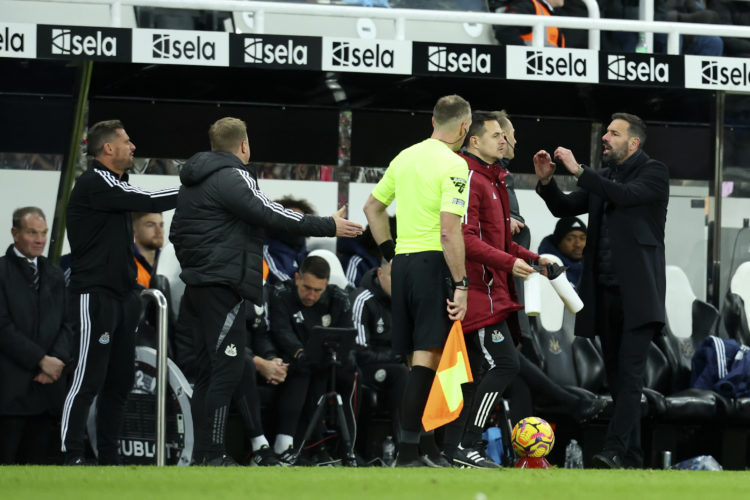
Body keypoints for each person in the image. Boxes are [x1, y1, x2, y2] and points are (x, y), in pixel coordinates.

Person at [169, 117, 362, 466]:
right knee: (226, 369)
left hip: (199, 285)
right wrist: (328, 225)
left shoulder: (192, 183)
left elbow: (177, 234)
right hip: (223, 286)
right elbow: (270, 213)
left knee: (210, 374)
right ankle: (212, 455)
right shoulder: (234, 175)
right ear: (243, 146)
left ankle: (202, 456)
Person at [534, 112, 669, 469]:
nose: (605, 138)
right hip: (604, 294)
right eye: (606, 132)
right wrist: (548, 183)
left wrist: (578, 170)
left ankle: (612, 450)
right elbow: (566, 206)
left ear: (634, 142)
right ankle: (634, 457)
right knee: (617, 377)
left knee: (630, 375)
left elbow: (623, 196)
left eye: (613, 133)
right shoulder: (604, 178)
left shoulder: (654, 174)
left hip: (639, 298)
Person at [62, 120, 179, 465]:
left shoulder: (116, 183)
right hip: (94, 296)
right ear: (107, 148)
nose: (133, 147)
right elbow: (147, 199)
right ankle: (71, 456)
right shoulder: (93, 182)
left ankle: (109, 459)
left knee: (119, 382)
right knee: (86, 380)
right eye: (127, 141)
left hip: (123, 298)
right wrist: (195, 187)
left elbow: (140, 196)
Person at [364, 94, 472, 467]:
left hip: (405, 264)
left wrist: (391, 253)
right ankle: (408, 452)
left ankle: (427, 449)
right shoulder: (456, 166)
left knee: (415, 362)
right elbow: (449, 232)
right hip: (432, 265)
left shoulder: (405, 156)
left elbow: (372, 208)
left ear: (432, 121)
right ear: (464, 127)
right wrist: (461, 283)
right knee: (428, 360)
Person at [451, 111, 543, 468]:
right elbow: (465, 240)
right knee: (504, 365)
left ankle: (455, 449)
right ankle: (467, 445)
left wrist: (536, 259)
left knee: (476, 374)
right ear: (474, 141)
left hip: (492, 293)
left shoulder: (495, 179)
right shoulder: (468, 177)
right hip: (475, 292)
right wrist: (507, 263)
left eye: (504, 135)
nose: (503, 139)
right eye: (495, 135)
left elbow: (502, 240)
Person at [0, 207, 73, 464]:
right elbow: (3, 328)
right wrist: (41, 360)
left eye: (43, 233)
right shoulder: (1, 272)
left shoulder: (53, 274)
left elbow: (69, 324)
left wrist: (56, 361)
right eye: (32, 232)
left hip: (48, 392)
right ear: (15, 233)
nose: (40, 239)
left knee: (43, 471)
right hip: (10, 394)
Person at [268, 255, 354, 465]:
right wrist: (300, 352)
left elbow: (346, 334)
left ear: (326, 285)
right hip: (290, 358)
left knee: (350, 370)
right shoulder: (281, 294)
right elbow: (281, 332)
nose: (311, 295)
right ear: (297, 278)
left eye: (318, 290)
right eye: (307, 287)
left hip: (324, 361)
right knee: (303, 368)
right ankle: (286, 444)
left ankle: (346, 448)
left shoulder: (338, 299)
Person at [350, 260, 408, 446]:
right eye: (394, 277)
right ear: (380, 274)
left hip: (395, 363)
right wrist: (398, 357)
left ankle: (440, 447)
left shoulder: (405, 301)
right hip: (365, 368)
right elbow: (359, 351)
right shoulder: (362, 300)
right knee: (401, 373)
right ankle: (404, 446)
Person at [493, 110, 530, 249]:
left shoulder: (502, 172)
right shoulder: (477, 172)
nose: (515, 141)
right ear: (503, 137)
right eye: (513, 134)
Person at [264, 196, 315, 286]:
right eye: (291, 220)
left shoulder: (309, 255)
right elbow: (280, 278)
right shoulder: (267, 251)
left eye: (301, 220)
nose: (296, 225)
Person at [490, 0, 566, 47]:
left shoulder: (549, 12)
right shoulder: (527, 5)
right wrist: (527, 57)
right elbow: (505, 30)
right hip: (528, 69)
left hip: (547, 68)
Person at [538, 216, 587, 287]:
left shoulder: (596, 266)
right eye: (570, 239)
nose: (578, 244)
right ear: (558, 242)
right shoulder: (543, 270)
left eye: (583, 238)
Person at [132, 212, 164, 288]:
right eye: (150, 225)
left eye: (161, 225)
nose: (159, 231)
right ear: (134, 231)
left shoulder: (168, 263)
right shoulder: (125, 265)